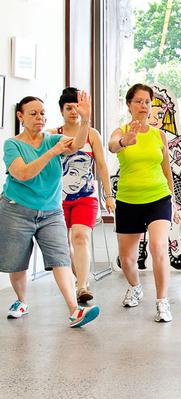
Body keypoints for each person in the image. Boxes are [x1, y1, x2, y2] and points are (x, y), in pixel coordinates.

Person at [1, 93, 100, 327]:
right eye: (33, 113)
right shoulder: (12, 144)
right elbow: (23, 173)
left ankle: (75, 311)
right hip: (17, 210)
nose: (40, 118)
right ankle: (21, 301)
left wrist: (84, 120)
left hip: (50, 212)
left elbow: (76, 145)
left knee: (60, 258)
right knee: (17, 264)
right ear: (20, 116)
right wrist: (52, 152)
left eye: (43, 113)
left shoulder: (54, 139)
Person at [108, 83, 176, 323]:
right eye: (137, 101)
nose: (143, 105)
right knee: (127, 260)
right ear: (129, 105)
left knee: (158, 247)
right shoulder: (120, 131)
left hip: (158, 197)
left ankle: (162, 302)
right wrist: (125, 141)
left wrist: (174, 201)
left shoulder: (159, 135)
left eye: (147, 101)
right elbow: (112, 146)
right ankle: (135, 286)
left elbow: (166, 169)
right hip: (128, 199)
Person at [51, 87, 116, 303]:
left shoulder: (92, 134)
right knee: (63, 243)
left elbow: (102, 166)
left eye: (77, 107)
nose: (73, 111)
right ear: (61, 110)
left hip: (86, 198)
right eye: (69, 107)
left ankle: (82, 286)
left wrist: (108, 194)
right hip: (57, 200)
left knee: (80, 236)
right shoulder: (53, 135)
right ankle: (74, 279)